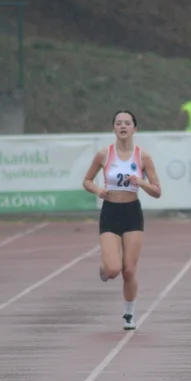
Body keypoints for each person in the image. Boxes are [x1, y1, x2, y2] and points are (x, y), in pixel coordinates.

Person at [82, 110, 162, 330]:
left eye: (127, 123)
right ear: (114, 128)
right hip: (110, 212)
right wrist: (98, 190)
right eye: (119, 123)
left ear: (135, 128)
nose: (123, 126)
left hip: (132, 213)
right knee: (113, 270)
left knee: (129, 269)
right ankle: (105, 268)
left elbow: (157, 191)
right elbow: (87, 181)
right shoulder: (103, 155)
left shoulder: (143, 157)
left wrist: (141, 182)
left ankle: (128, 314)